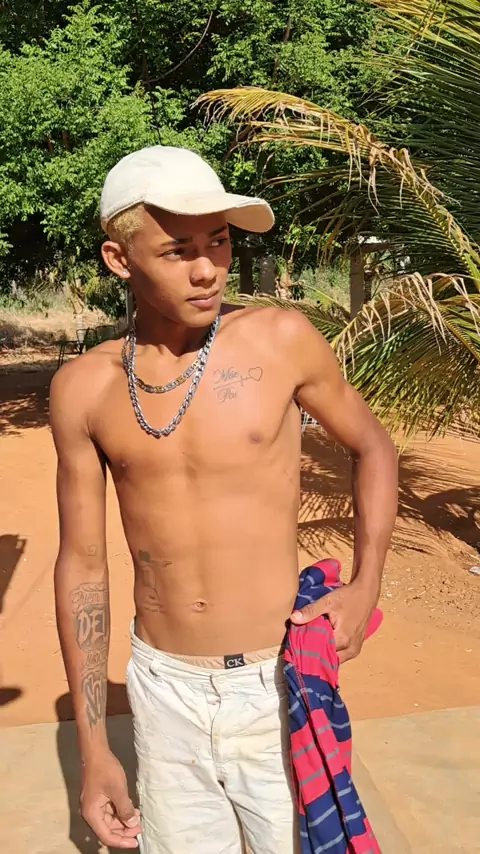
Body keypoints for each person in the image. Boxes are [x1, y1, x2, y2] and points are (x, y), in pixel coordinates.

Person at [51, 146, 398, 854]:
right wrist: (94, 750)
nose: (208, 269)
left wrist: (366, 585)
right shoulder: (84, 387)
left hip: (274, 682)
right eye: (178, 250)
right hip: (163, 689)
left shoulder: (279, 340)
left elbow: (374, 447)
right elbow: (83, 564)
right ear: (120, 259)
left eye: (218, 242)